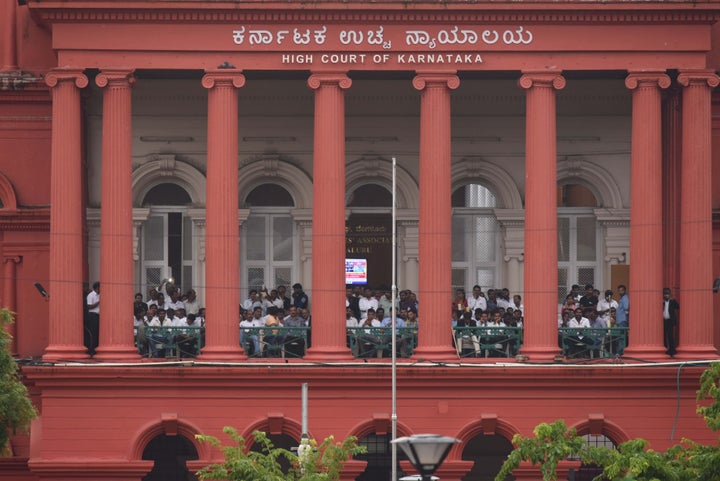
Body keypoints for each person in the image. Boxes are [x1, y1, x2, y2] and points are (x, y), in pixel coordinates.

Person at [663, 287, 679, 357]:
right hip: (663, 321)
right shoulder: (662, 302)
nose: (666, 295)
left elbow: (678, 307)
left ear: (670, 294)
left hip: (670, 321)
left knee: (670, 336)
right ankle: (665, 349)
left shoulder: (672, 301)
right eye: (665, 294)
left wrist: (674, 300)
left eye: (667, 294)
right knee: (663, 336)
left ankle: (672, 350)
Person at [85, 281, 100, 356]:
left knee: (98, 333)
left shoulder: (101, 295)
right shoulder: (91, 295)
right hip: (93, 315)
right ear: (97, 288)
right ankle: (92, 349)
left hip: (99, 316)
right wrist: (99, 302)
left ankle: (97, 348)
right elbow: (89, 306)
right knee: (93, 333)